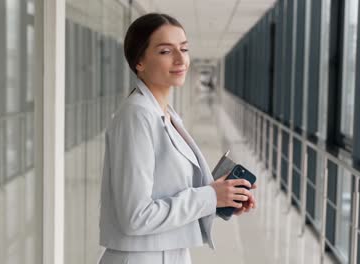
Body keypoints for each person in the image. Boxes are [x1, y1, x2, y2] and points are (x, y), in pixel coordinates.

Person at [98, 13, 257, 264]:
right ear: (139, 61)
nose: (181, 59)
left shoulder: (166, 114)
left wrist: (219, 198)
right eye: (165, 51)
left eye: (184, 49)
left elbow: (167, 194)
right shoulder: (137, 116)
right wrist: (210, 196)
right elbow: (135, 216)